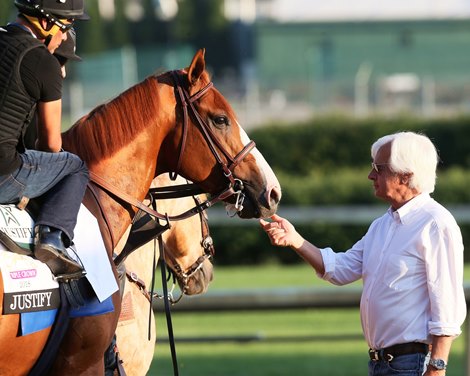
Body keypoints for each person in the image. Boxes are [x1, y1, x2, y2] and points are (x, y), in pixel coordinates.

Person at [260, 131, 466, 376]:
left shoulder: (435, 223)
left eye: (379, 168)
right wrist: (296, 240)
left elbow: (448, 304)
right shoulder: (382, 225)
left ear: (406, 176)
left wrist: (437, 367)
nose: (371, 175)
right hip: (382, 364)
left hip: (413, 364)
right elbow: (342, 269)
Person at [0, 0, 90, 280]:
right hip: (4, 174)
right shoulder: (43, 62)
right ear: (46, 23)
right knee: (74, 166)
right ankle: (52, 240)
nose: (65, 38)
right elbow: (50, 145)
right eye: (65, 28)